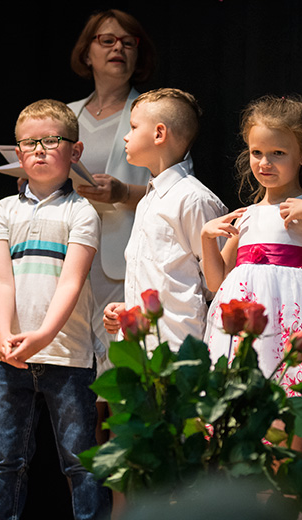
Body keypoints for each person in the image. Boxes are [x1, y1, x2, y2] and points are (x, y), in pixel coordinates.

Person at [201, 94, 302, 461]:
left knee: (286, 433)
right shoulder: (244, 216)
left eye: (278, 153)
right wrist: (206, 238)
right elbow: (216, 283)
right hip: (248, 340)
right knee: (247, 435)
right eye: (257, 153)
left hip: (290, 333)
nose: (265, 162)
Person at [0, 99, 108, 520]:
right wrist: (3, 336)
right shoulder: (2, 211)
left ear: (75, 151)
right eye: (29, 143)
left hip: (67, 357)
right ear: (17, 153)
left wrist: (42, 336)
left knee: (80, 461)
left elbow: (71, 281)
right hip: (10, 357)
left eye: (51, 140)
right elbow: (0, 280)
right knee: (6, 461)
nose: (39, 150)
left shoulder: (82, 212)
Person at [103, 87, 227, 351]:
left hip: (178, 347)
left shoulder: (194, 200)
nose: (126, 136)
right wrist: (131, 306)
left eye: (133, 127)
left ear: (159, 133)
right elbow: (163, 276)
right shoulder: (148, 199)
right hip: (141, 347)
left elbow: (216, 285)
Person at [67, 9, 156, 363]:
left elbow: (178, 192)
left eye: (128, 42)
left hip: (120, 257)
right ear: (87, 53)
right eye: (107, 40)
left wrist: (123, 193)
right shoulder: (66, 116)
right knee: (70, 365)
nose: (118, 47)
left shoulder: (154, 115)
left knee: (116, 366)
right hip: (67, 253)